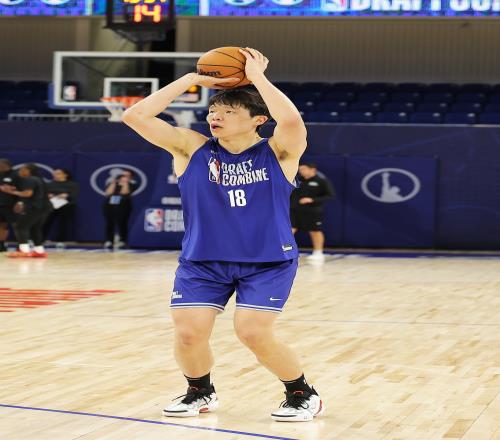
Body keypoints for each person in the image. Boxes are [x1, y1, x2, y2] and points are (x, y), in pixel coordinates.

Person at [122, 47, 323, 422]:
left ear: (258, 119)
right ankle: (199, 391)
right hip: (203, 260)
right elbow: (135, 116)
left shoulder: (279, 151)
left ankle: (301, 392)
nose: (216, 116)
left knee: (252, 333)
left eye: (229, 111)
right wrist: (191, 79)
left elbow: (292, 120)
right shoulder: (191, 147)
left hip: (267, 261)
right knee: (188, 333)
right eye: (214, 110)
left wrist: (257, 77)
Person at [2, 163, 51, 258]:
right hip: (45, 207)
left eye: (21, 169)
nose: (19, 171)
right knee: (35, 228)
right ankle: (39, 251)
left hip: (35, 207)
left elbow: (27, 194)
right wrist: (16, 191)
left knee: (21, 226)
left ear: (28, 171)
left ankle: (24, 251)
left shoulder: (30, 179)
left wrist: (10, 191)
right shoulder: (39, 179)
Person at [290, 163, 336, 261]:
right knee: (289, 231)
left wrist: (312, 200)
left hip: (313, 211)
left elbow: (330, 195)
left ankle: (318, 252)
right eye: (300, 169)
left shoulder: (321, 181)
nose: (301, 171)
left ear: (312, 169)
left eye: (303, 169)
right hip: (295, 210)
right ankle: (285, 252)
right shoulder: (296, 180)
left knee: (314, 231)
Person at [44, 169, 79, 248]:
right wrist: (48, 195)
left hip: (66, 206)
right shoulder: (49, 184)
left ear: (65, 175)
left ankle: (60, 241)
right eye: (54, 173)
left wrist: (66, 195)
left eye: (58, 173)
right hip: (51, 205)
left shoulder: (72, 184)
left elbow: (74, 195)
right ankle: (41, 239)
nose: (55, 175)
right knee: (46, 222)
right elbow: (44, 193)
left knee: (63, 223)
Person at [102, 169, 137, 249]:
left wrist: (125, 183)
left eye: (127, 176)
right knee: (109, 223)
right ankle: (109, 240)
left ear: (131, 177)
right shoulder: (113, 183)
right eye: (123, 175)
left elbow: (124, 192)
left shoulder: (132, 184)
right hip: (110, 205)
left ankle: (122, 240)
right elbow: (108, 193)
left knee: (122, 223)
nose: (124, 177)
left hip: (123, 206)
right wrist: (113, 183)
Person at [0, 159, 23, 252]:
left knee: (16, 225)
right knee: (2, 225)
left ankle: (21, 245)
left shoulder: (16, 175)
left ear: (5, 165)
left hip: (12, 205)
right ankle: (1, 245)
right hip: (1, 204)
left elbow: (22, 189)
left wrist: (20, 202)